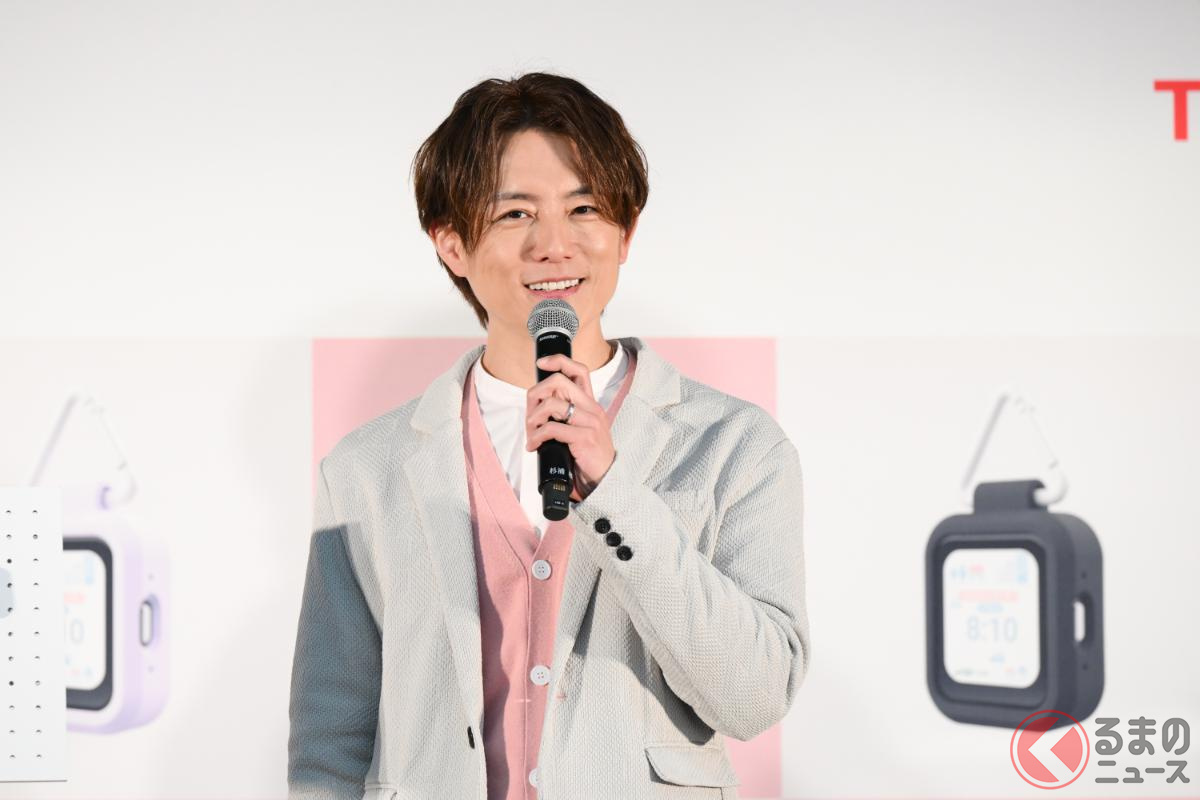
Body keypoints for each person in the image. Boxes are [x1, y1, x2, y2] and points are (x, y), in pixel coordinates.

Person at [288, 72, 811, 800]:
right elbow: (329, 739)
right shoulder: (365, 470)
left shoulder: (735, 446)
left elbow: (755, 697)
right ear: (451, 243)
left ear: (625, 234)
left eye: (585, 208)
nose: (555, 245)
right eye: (515, 214)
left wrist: (616, 493)